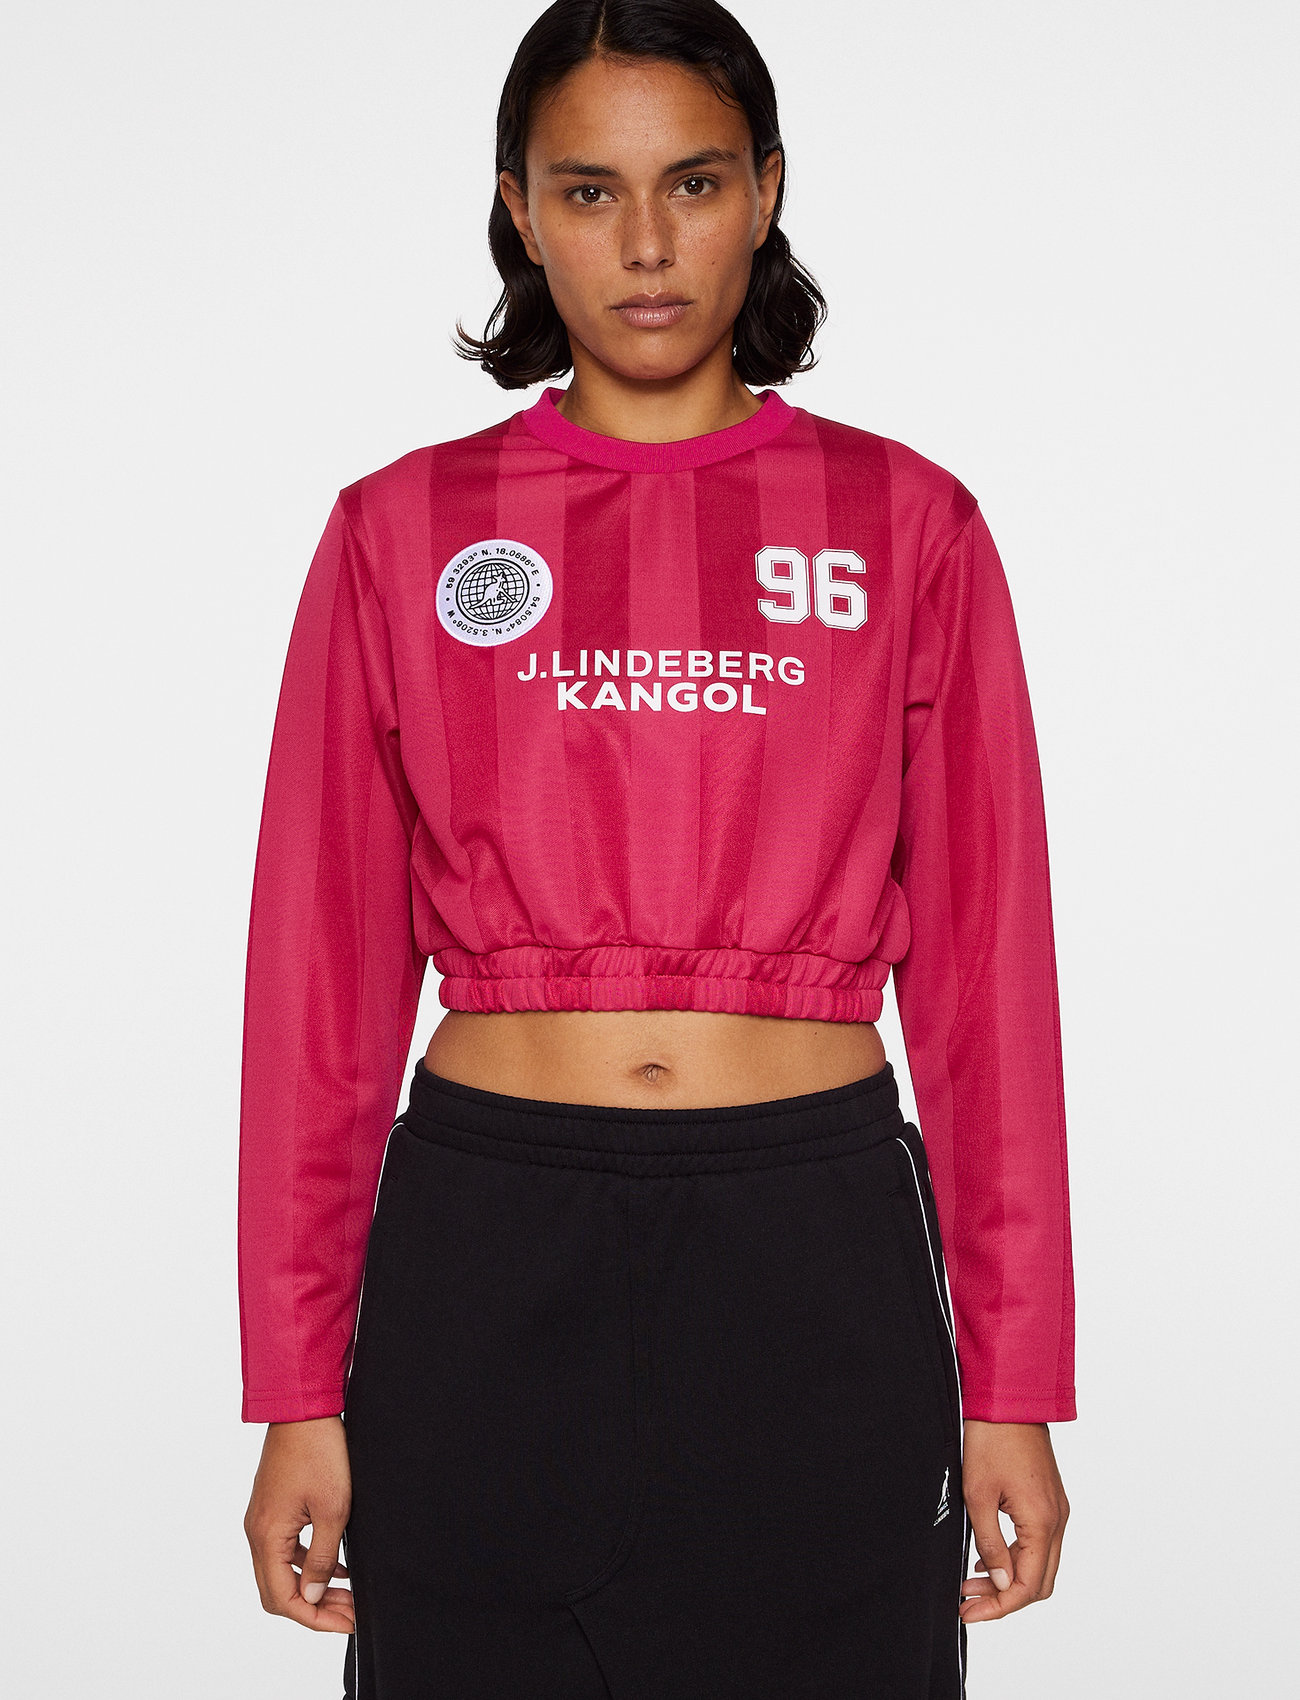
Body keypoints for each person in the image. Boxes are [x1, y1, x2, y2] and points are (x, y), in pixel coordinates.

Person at [239, 2, 1074, 1695]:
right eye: (588, 190)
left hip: (813, 1240)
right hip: (489, 1237)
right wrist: (296, 1390)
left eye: (691, 183)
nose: (643, 245)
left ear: (765, 191)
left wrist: (1015, 1384)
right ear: (519, 208)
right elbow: (316, 985)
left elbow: (992, 982)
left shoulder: (909, 525)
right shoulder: (399, 530)